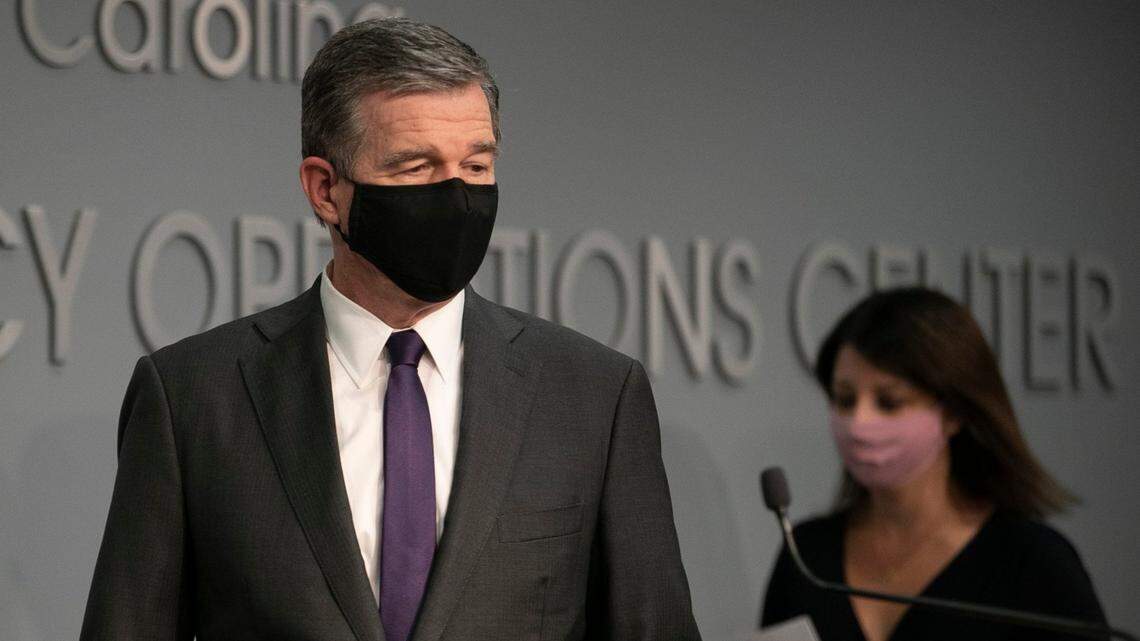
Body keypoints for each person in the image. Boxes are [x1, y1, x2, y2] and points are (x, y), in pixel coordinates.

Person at [79, 18, 700, 641]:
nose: (456, 196)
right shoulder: (191, 397)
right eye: (416, 168)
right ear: (326, 190)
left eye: (476, 166)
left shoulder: (594, 395)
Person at [761, 287, 1106, 641]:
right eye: (845, 400)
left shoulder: (1032, 562)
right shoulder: (806, 556)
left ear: (953, 413)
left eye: (889, 402)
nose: (858, 423)